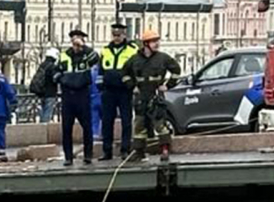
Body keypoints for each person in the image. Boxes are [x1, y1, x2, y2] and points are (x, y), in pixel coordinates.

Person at [122, 29, 181, 162]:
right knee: (139, 125)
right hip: (141, 96)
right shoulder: (135, 59)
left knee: (160, 124)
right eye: (153, 41)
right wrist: (132, 86)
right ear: (146, 44)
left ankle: (165, 149)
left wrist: (168, 85)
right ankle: (139, 152)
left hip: (155, 95)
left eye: (157, 41)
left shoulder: (163, 58)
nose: (157, 44)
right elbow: (124, 72)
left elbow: (176, 70)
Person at [55, 29, 100, 166]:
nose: (77, 45)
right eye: (75, 42)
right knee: (66, 128)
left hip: (82, 94)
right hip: (68, 95)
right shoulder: (64, 56)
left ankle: (88, 155)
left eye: (79, 41)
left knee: (87, 127)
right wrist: (63, 80)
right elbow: (55, 72)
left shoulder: (86, 56)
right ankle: (68, 157)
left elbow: (96, 58)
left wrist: (84, 48)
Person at [99, 22, 137, 160]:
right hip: (108, 90)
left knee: (126, 121)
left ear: (124, 34)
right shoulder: (105, 50)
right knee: (107, 121)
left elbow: (135, 69)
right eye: (114, 35)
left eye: (119, 35)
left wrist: (132, 85)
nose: (116, 38)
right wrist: (101, 85)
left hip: (124, 91)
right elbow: (101, 70)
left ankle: (125, 149)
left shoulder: (132, 50)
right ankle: (107, 151)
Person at [29, 48, 59, 123]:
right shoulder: (52, 67)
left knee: (42, 111)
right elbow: (55, 79)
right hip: (50, 93)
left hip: (40, 92)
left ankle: (41, 128)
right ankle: (45, 130)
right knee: (47, 113)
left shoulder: (42, 65)